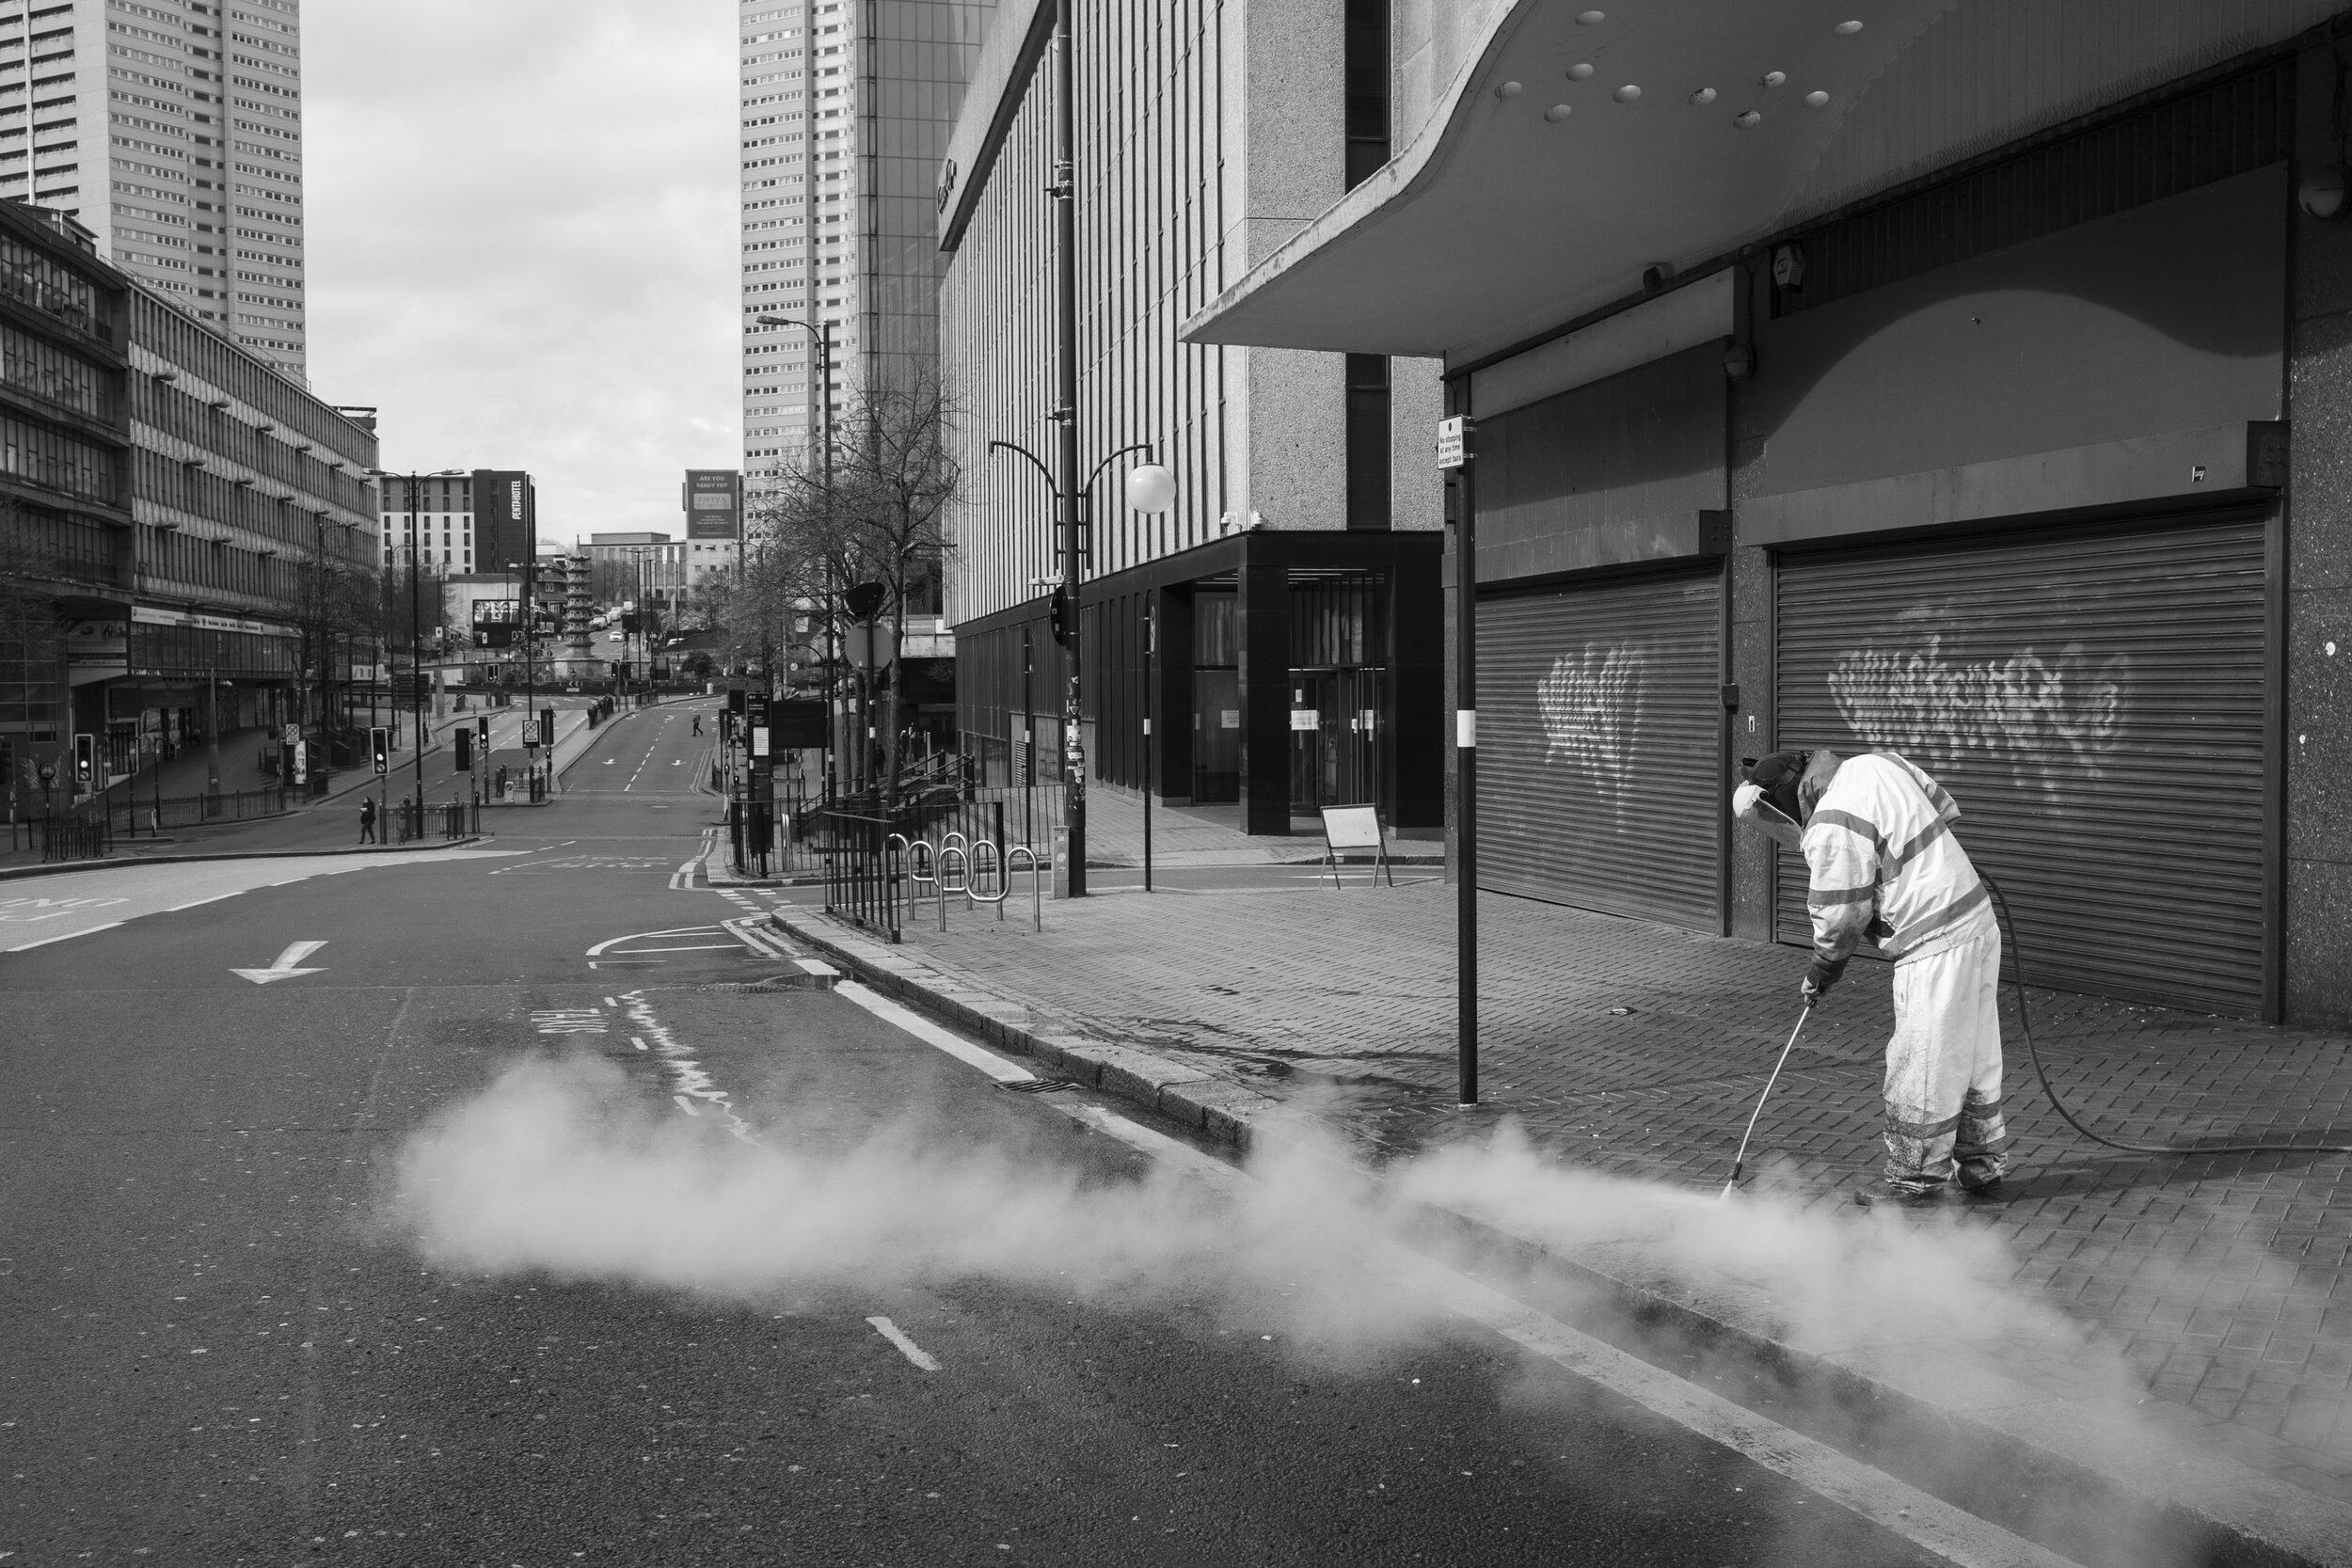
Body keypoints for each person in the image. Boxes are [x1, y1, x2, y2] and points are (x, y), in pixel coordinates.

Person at [1732, 749, 2008, 1206]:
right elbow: (1943, 807)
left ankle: (1911, 1181)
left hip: (1933, 941)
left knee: (1922, 1064)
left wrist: (1822, 971)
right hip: (1976, 918)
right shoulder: (1875, 763)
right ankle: (1982, 1168)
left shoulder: (1829, 823)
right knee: (1976, 1054)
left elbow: (1841, 918)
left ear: (1789, 798)